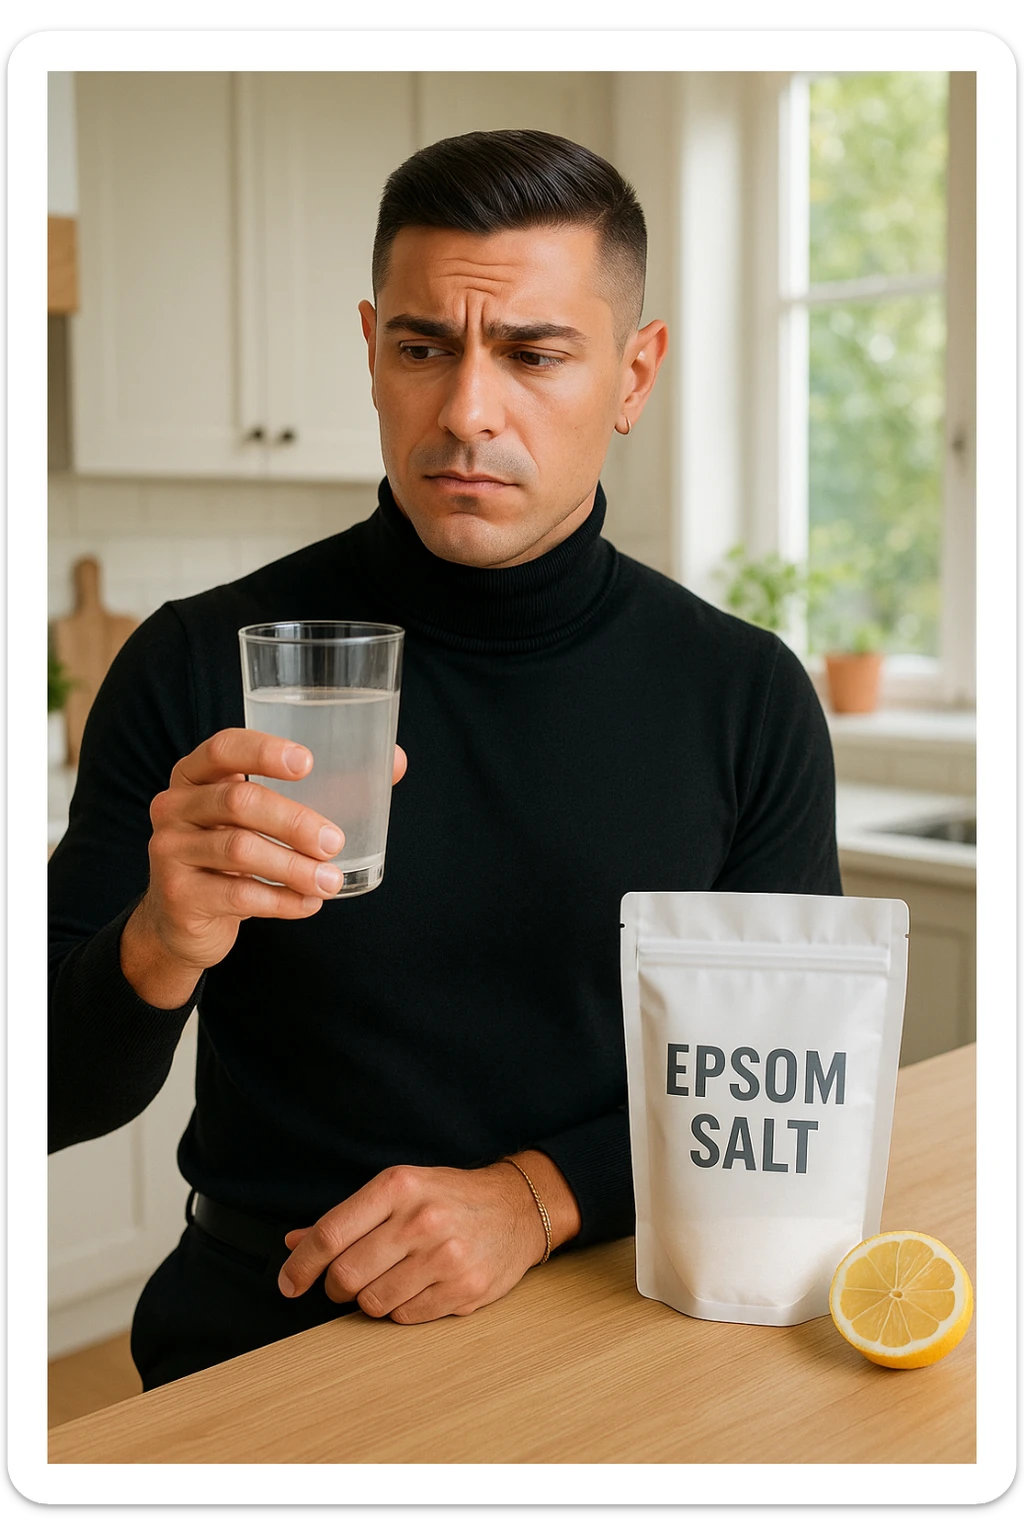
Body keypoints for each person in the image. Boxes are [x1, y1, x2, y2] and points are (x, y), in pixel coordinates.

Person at [48, 129, 842, 1390]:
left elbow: (787, 1101)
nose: (469, 409)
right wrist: (158, 940)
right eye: (424, 348)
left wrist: (532, 1199)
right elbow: (47, 1104)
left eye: (534, 354)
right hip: (261, 1337)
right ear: (372, 350)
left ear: (634, 376)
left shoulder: (743, 696)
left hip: (612, 1331)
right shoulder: (198, 661)